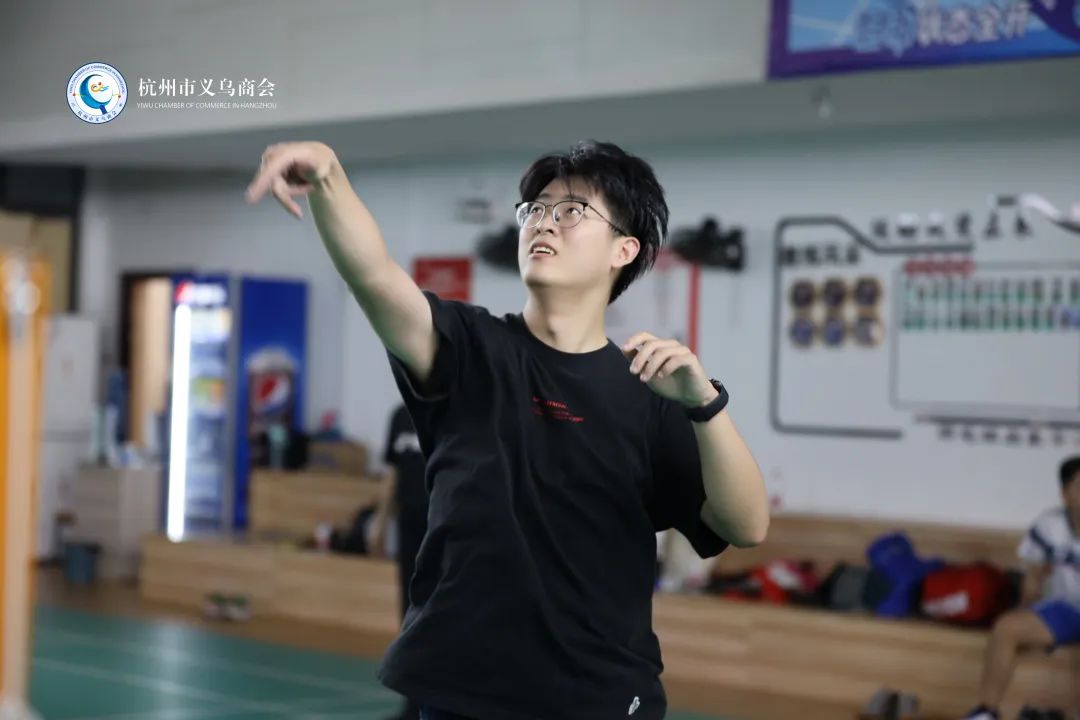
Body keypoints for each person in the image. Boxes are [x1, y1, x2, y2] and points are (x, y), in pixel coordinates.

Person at [246, 139, 769, 720]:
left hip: (599, 699)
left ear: (624, 249)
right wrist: (328, 176)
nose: (544, 222)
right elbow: (373, 276)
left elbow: (746, 526)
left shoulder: (652, 393)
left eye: (572, 211)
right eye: (536, 209)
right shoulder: (468, 349)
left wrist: (705, 404)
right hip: (462, 694)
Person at [960, 456, 1080, 720]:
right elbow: (1033, 576)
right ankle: (986, 712)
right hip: (1064, 610)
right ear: (1064, 495)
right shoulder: (1049, 525)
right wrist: (1027, 611)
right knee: (1007, 627)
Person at [370, 403, 428, 720]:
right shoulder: (400, 416)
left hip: (444, 531)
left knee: (438, 617)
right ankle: (412, 705)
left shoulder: (451, 407)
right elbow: (392, 473)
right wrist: (379, 522)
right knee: (409, 614)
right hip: (408, 529)